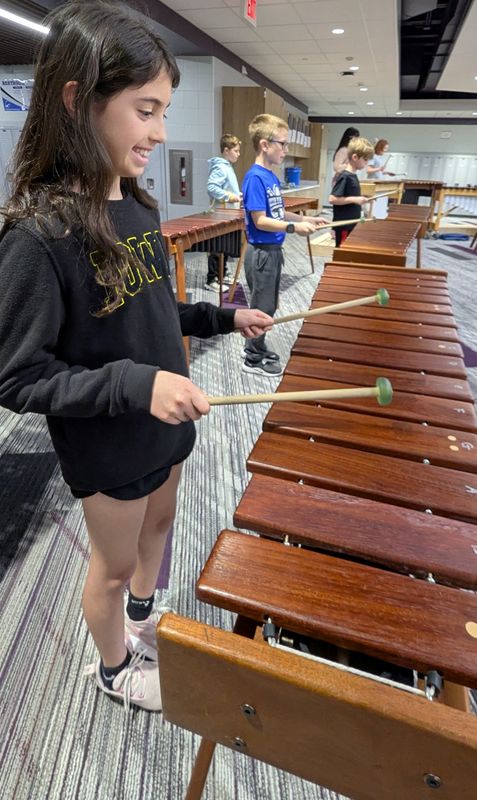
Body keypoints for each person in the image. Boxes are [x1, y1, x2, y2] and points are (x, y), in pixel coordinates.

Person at [0, 0, 274, 713]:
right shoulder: (40, 233)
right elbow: (19, 376)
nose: (159, 131)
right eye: (145, 109)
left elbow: (150, 313)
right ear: (77, 101)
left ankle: (142, 625)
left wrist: (220, 314)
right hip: (110, 441)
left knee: (160, 528)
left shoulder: (139, 207)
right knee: (114, 567)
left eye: (163, 111)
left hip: (163, 422)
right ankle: (114, 669)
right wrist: (134, 383)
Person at [242, 113, 327, 377]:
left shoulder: (271, 177)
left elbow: (277, 214)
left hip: (274, 251)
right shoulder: (255, 177)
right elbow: (260, 220)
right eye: (282, 144)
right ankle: (252, 358)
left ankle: (257, 346)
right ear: (265, 145)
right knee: (261, 308)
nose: (286, 150)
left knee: (270, 305)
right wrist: (294, 228)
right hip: (262, 253)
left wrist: (304, 218)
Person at [205, 133, 242, 292]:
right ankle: (211, 279)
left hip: (228, 214)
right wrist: (230, 196)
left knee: (226, 246)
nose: (238, 154)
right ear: (226, 150)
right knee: (217, 248)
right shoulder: (220, 167)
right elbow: (211, 187)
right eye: (236, 151)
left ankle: (222, 273)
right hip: (220, 214)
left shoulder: (227, 166)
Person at [329, 137, 375, 247]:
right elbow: (332, 199)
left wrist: (362, 198)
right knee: (342, 253)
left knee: (348, 252)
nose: (366, 163)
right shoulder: (345, 176)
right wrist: (355, 199)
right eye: (365, 159)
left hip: (351, 223)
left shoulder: (353, 175)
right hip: (344, 224)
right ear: (355, 157)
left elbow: (349, 196)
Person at [366, 139, 396, 219]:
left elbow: (379, 172)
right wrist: (379, 168)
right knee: (375, 204)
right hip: (374, 183)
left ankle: (380, 217)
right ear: (380, 147)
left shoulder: (380, 157)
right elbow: (368, 170)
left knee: (382, 201)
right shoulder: (372, 156)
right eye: (385, 148)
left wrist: (387, 173)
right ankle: (373, 217)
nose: (386, 150)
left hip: (380, 183)